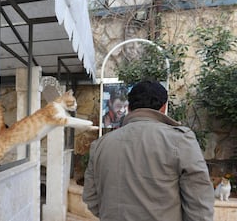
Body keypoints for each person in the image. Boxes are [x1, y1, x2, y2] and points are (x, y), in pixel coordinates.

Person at [83, 80, 214, 221]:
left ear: (129, 107)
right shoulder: (180, 140)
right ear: (163, 107)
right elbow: (199, 204)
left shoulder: (101, 145)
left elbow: (91, 198)